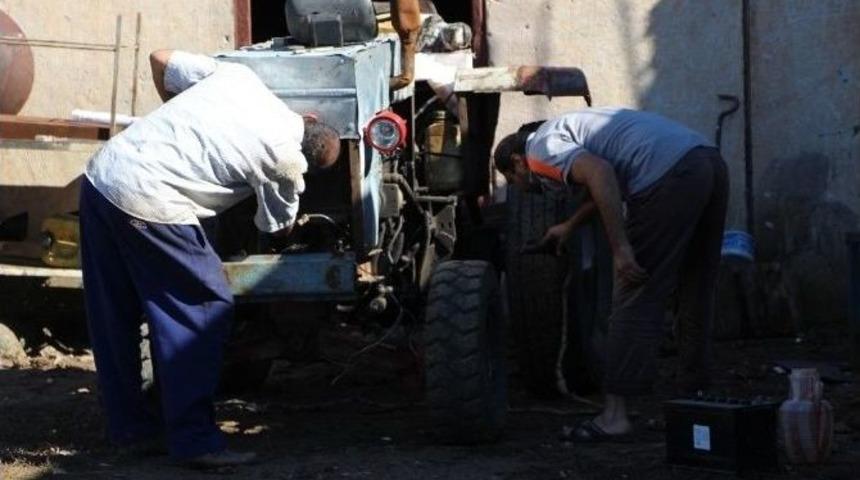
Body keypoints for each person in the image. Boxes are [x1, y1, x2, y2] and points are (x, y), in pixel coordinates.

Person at [79, 49, 341, 467]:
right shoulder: (288, 162)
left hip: (102, 176)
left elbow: (160, 58)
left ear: (308, 116)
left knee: (115, 311)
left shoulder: (241, 79)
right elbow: (275, 230)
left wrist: (182, 134)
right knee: (204, 305)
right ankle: (195, 441)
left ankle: (132, 431)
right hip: (149, 199)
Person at [494, 107, 728, 441]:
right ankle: (695, 407)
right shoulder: (567, 128)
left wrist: (620, 249)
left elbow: (600, 173)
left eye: (511, 180)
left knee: (634, 293)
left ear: (517, 162)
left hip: (669, 174)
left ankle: (615, 416)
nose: (517, 187)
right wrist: (571, 226)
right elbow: (608, 182)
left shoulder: (538, 150)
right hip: (708, 161)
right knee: (696, 291)